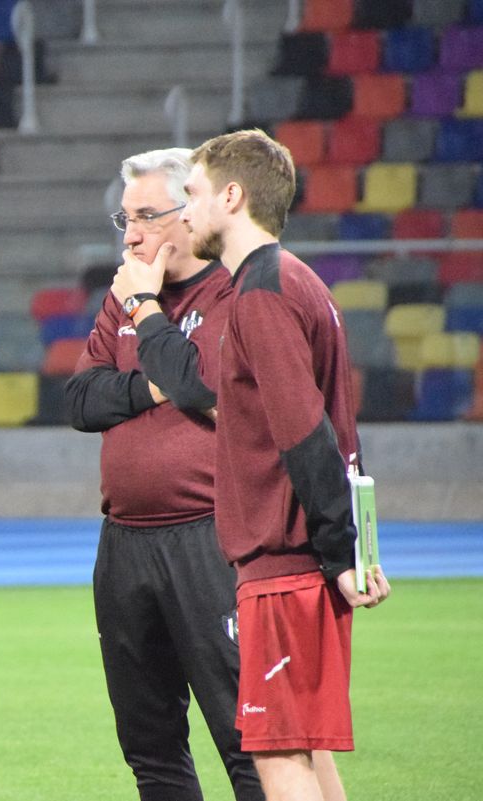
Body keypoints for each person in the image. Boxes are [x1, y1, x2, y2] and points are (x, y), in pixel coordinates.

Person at [180, 128, 390, 801]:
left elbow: (304, 432)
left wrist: (339, 551)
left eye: (192, 194)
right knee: (304, 750)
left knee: (278, 758)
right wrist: (349, 547)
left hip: (286, 566)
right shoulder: (303, 281)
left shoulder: (261, 293)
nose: (185, 213)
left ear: (232, 196)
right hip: (308, 563)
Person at [66, 147, 263, 801]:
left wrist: (147, 313)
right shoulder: (122, 295)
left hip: (210, 538)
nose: (133, 235)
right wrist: (154, 387)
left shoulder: (234, 291)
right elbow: (80, 401)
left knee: (249, 744)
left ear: (193, 211)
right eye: (125, 219)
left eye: (148, 216)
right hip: (123, 543)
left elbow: (201, 388)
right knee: (150, 748)